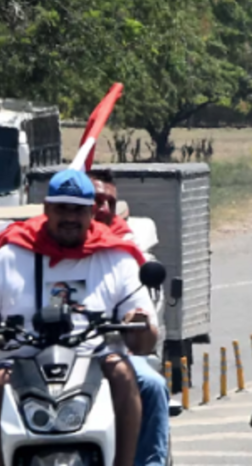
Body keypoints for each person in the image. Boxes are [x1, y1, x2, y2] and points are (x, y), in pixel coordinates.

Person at [0, 169, 158, 466]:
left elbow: (145, 334)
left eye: (78, 210)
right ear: (46, 209)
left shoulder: (115, 257)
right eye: (61, 208)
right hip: (23, 363)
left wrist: (137, 320)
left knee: (129, 374)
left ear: (91, 212)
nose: (69, 217)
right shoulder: (11, 256)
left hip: (95, 362)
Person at [87, 171, 171, 466]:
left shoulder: (123, 256)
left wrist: (137, 320)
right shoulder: (33, 254)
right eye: (97, 201)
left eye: (110, 202)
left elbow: (147, 333)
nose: (103, 209)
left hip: (108, 355)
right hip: (46, 358)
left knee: (152, 384)